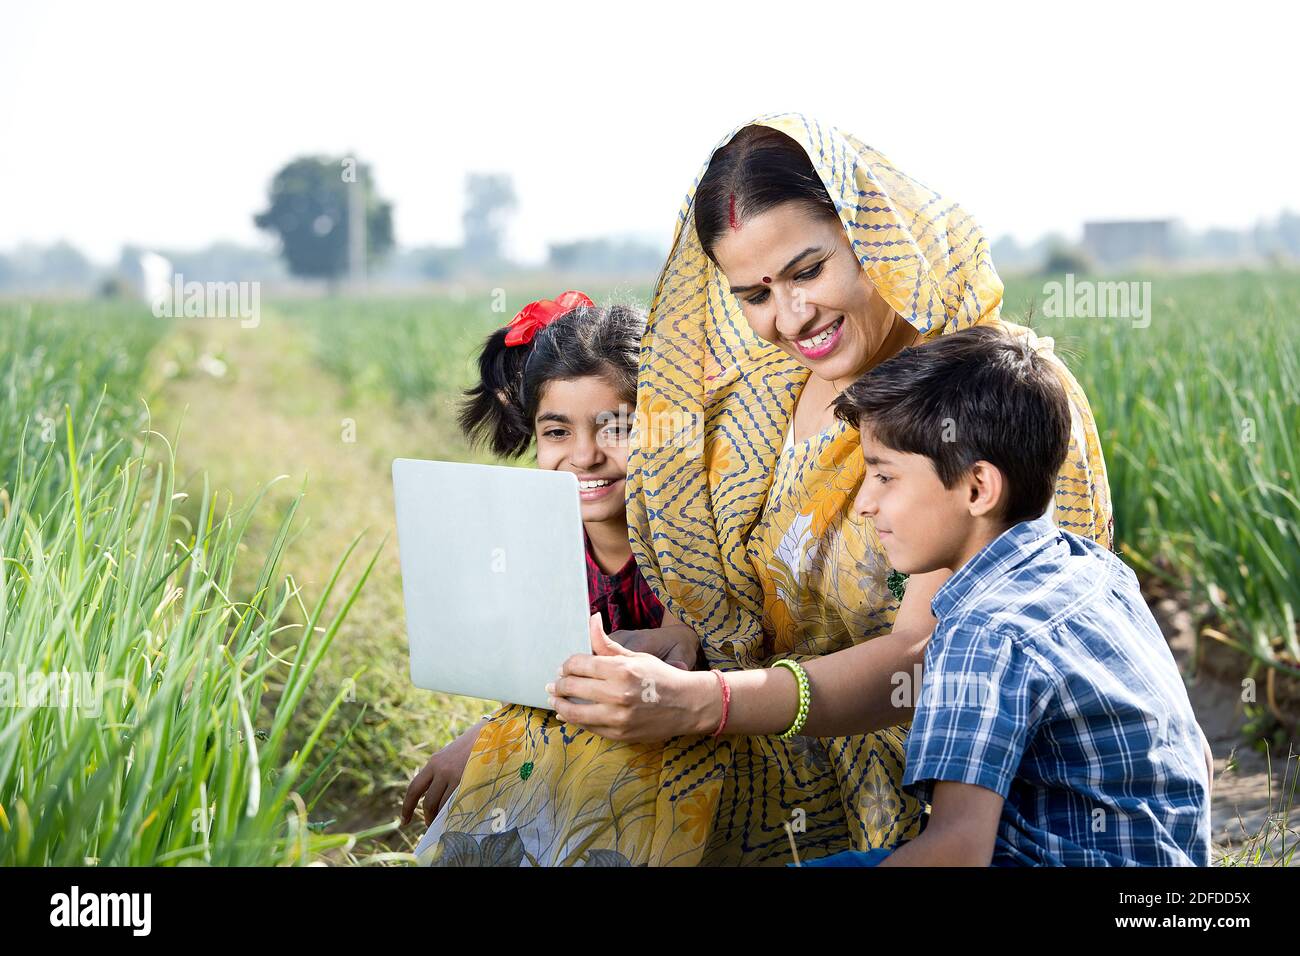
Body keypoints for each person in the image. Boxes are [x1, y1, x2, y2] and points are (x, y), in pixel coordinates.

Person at [548, 114, 1115, 865]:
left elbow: (923, 657)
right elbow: (755, 604)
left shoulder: (986, 394)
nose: (791, 317)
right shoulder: (764, 398)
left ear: (873, 235)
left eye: (809, 271)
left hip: (951, 792)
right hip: (778, 734)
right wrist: (677, 651)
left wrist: (703, 702)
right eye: (754, 294)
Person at [794, 325, 1209, 866]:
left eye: (884, 477)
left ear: (977, 488)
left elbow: (956, 853)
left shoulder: (984, 632)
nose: (865, 503)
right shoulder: (1097, 569)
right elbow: (1196, 752)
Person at [400, 292, 701, 864]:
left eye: (616, 428)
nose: (584, 456)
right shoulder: (543, 544)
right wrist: (484, 738)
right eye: (557, 433)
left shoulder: (691, 540)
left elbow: (679, 655)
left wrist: (491, 740)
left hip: (681, 752)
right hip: (582, 736)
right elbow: (539, 676)